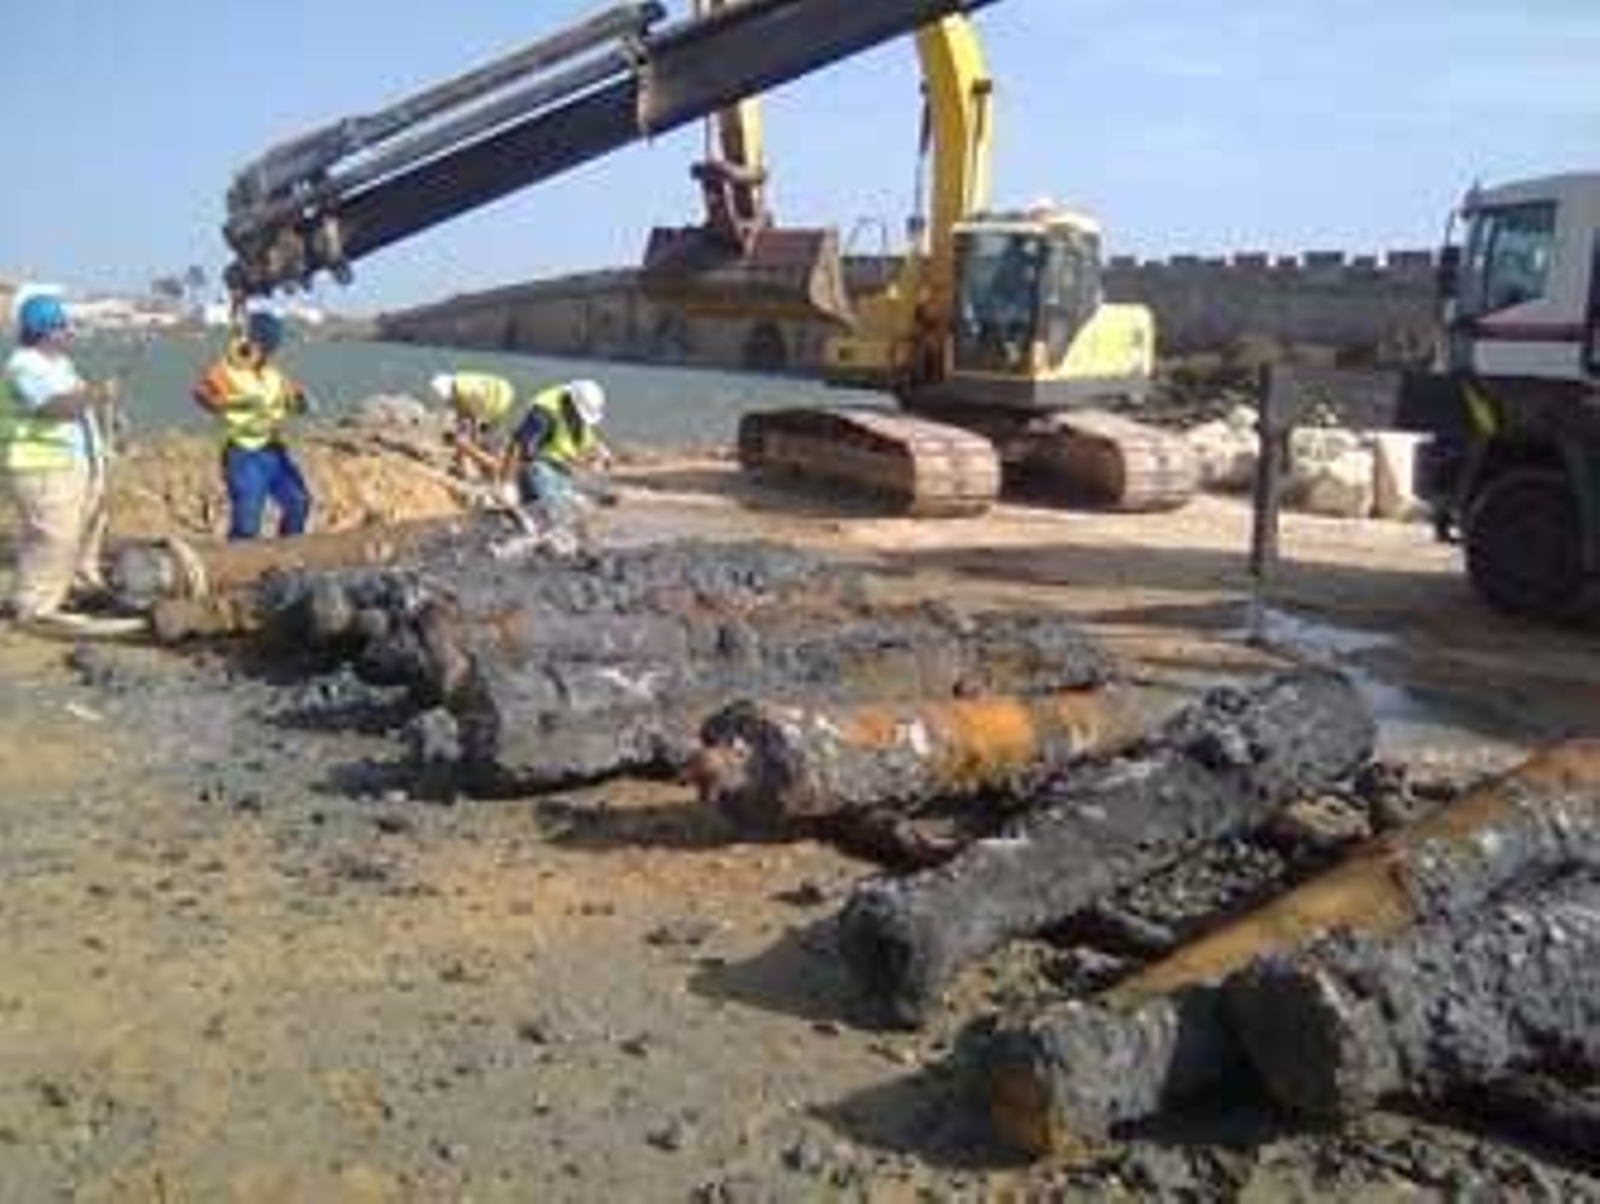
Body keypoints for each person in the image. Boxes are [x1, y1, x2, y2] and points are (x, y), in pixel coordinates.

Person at [0, 294, 121, 621]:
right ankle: (33, 605)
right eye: (61, 326)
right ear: (44, 330)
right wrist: (97, 393)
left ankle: (77, 587)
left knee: (83, 528)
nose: (67, 332)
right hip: (42, 466)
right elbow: (54, 407)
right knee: (54, 536)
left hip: (75, 463)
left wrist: (104, 409)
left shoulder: (61, 365)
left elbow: (77, 403)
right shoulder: (23, 366)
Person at [193, 311, 312, 540]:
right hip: (242, 453)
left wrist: (301, 403)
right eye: (264, 345)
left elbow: (294, 398)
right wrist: (222, 404)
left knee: (299, 502)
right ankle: (236, 563)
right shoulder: (226, 369)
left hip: (273, 450)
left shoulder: (274, 375)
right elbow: (201, 394)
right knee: (247, 525)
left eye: (271, 347)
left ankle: (288, 550)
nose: (268, 352)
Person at [499, 379, 613, 529]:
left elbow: (584, 437)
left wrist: (599, 449)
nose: (581, 418)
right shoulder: (543, 414)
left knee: (576, 513)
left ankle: (543, 524)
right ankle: (538, 523)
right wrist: (506, 483)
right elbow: (517, 445)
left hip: (559, 471)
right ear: (572, 404)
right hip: (536, 470)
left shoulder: (574, 413)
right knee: (553, 514)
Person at [430, 371, 518, 481]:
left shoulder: (466, 393)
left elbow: (470, 417)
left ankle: (495, 472)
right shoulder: (462, 385)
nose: (448, 403)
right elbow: (468, 418)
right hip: (501, 394)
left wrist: (464, 443)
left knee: (473, 444)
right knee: (476, 441)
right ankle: (490, 469)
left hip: (498, 400)